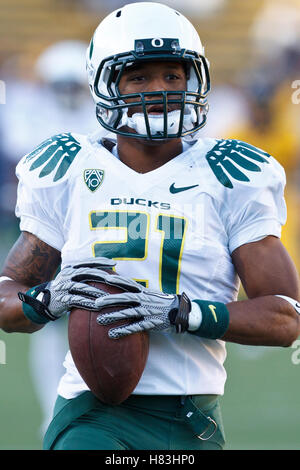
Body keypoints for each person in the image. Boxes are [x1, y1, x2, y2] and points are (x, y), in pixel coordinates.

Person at [0, 2, 299, 451]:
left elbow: (285, 315)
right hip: (89, 412)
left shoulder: (230, 175)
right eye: (139, 77)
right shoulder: (69, 168)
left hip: (191, 417)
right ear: (105, 83)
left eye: (172, 76)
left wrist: (182, 312)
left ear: (193, 80)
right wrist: (44, 299)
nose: (159, 89)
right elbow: (7, 292)